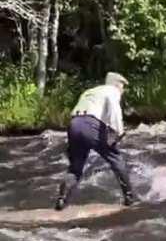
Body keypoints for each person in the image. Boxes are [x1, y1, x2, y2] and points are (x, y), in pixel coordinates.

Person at [55, 72, 134, 211]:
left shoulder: (90, 91)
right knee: (116, 159)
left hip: (74, 124)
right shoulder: (112, 90)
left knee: (75, 167)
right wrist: (119, 132)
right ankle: (129, 197)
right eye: (122, 86)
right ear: (116, 84)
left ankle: (62, 199)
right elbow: (114, 110)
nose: (123, 90)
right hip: (91, 124)